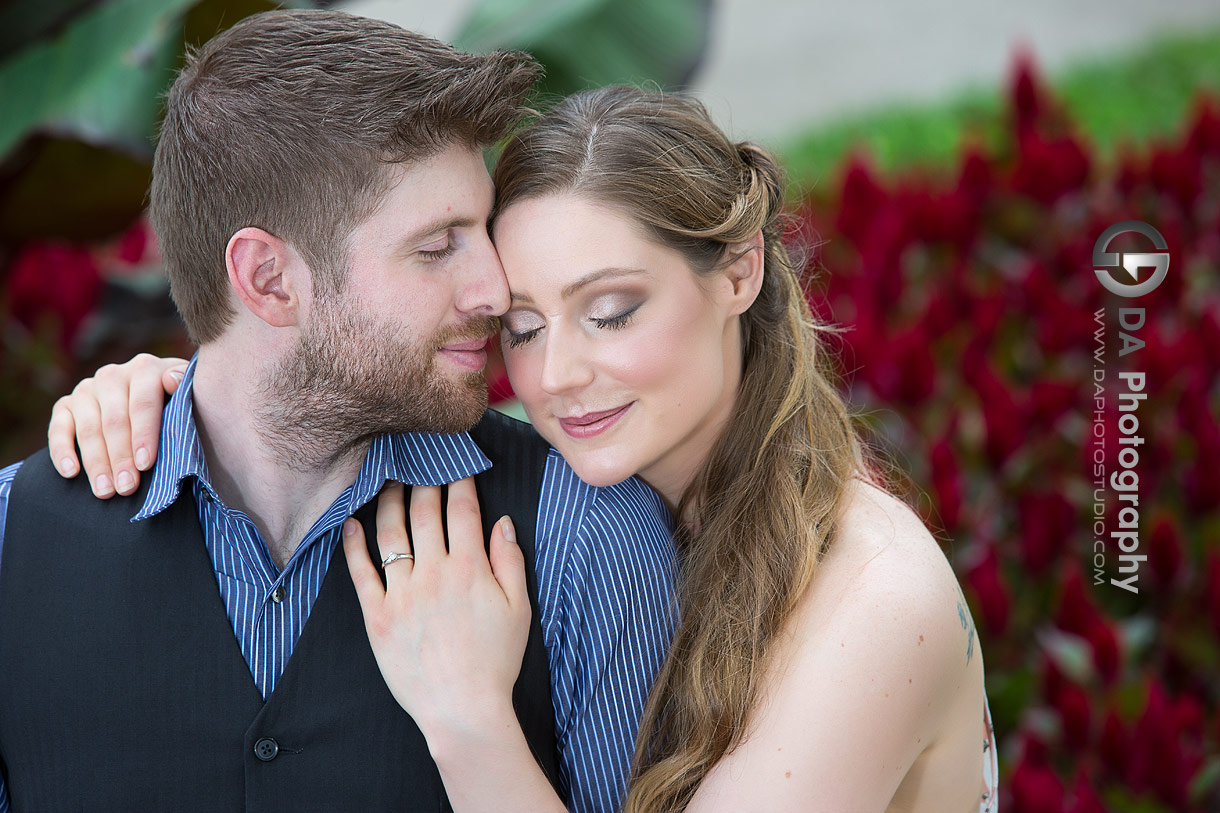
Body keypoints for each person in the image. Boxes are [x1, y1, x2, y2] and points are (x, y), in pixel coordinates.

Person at [50, 87, 1000, 811]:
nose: (559, 376)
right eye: (528, 326)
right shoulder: (629, 520)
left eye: (612, 310)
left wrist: (468, 719)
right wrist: (185, 402)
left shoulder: (877, 603)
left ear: (741, 271)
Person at [0, 12, 678, 813]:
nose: (495, 290)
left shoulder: (587, 536)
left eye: (482, 230)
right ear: (269, 280)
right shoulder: (14, 541)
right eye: (437, 246)